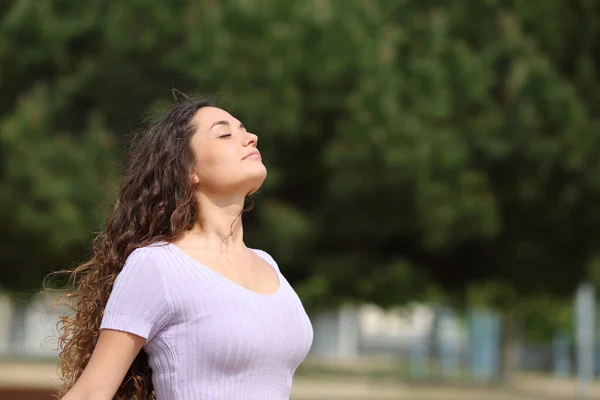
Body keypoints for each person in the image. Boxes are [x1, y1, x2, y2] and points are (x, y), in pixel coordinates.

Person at [54, 98, 314, 400]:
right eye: (225, 134)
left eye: (245, 130)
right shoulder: (158, 265)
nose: (250, 138)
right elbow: (91, 393)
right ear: (189, 169)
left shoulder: (268, 265)